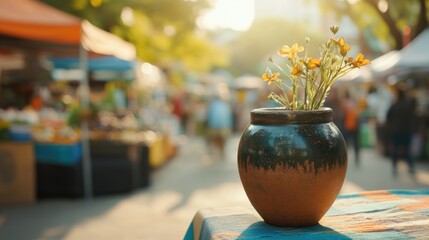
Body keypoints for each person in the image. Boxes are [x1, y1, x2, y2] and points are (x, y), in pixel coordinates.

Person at [386, 85, 417, 175]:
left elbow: (388, 117)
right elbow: (413, 117)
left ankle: (394, 167)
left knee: (395, 149)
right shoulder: (409, 105)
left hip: (396, 131)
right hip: (407, 131)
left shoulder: (394, 105)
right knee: (407, 149)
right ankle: (411, 166)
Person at [206, 85, 233, 159]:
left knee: (216, 139)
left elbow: (210, 116)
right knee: (221, 139)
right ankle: (221, 152)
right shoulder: (224, 105)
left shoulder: (214, 105)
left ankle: (220, 152)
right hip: (222, 125)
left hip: (215, 125)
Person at [342, 90, 361, 165]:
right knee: (356, 143)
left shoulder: (344, 103)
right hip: (355, 126)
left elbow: (343, 115)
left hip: (347, 126)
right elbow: (358, 114)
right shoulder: (354, 103)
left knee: (346, 144)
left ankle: (345, 159)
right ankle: (357, 159)